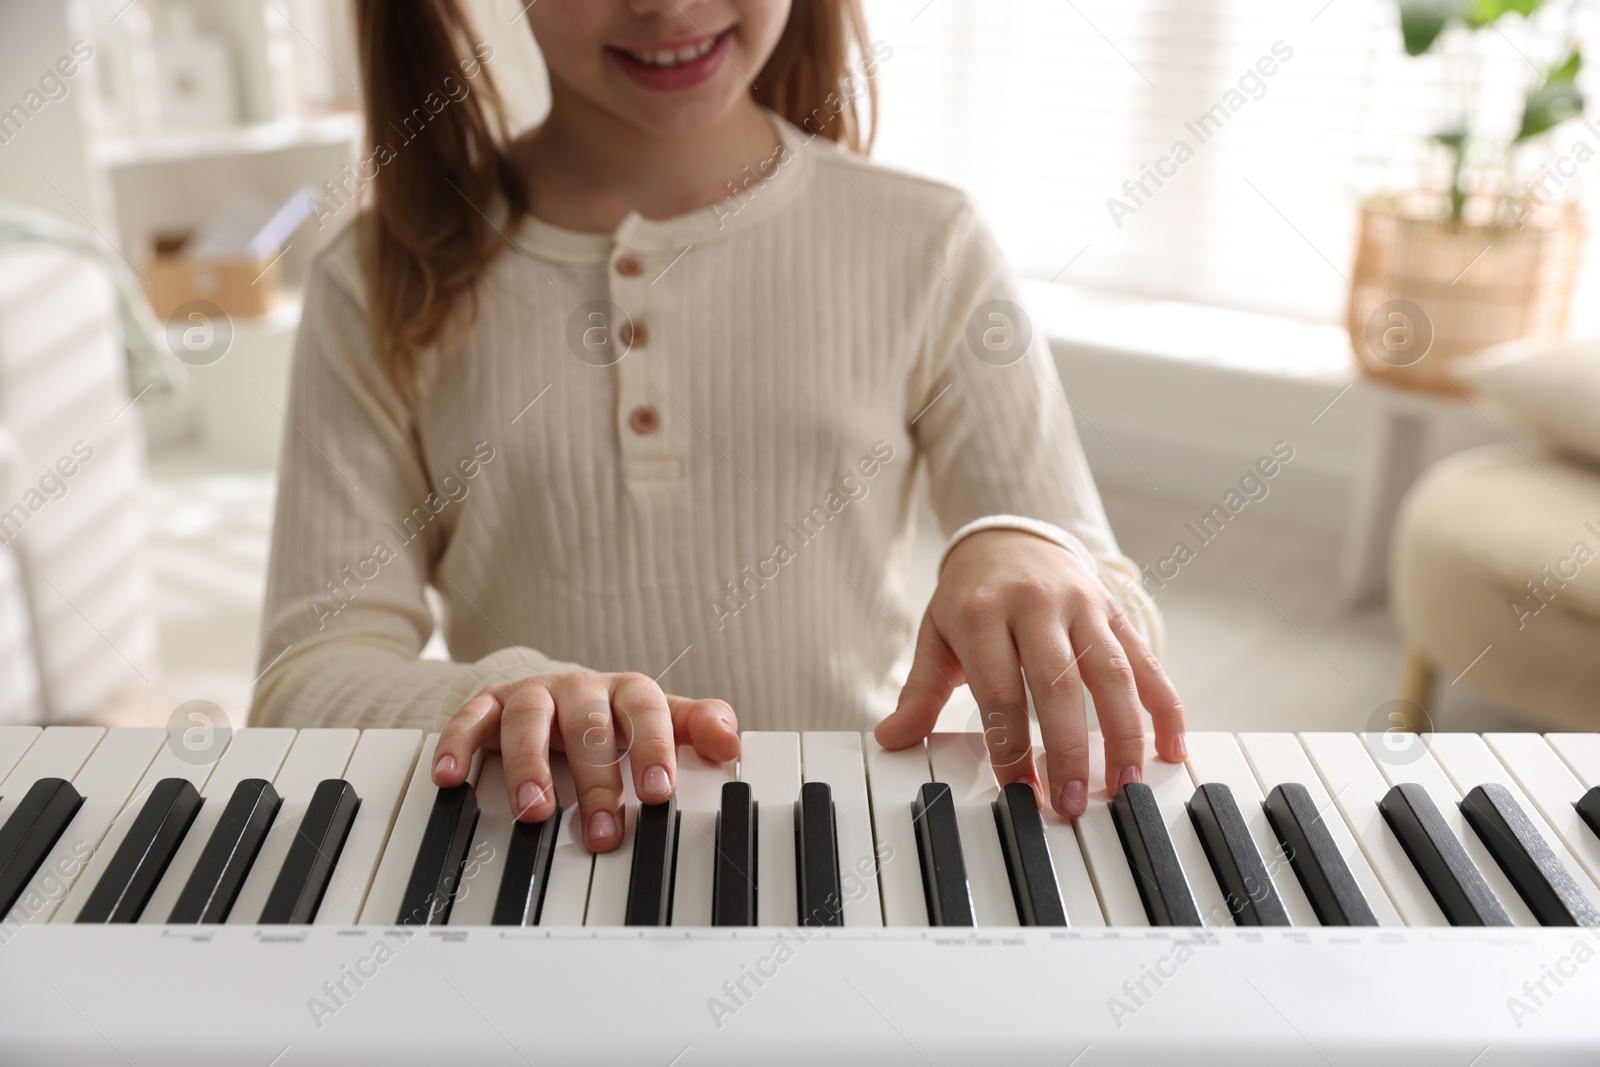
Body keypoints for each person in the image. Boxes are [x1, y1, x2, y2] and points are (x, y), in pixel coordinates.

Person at [250, 0, 1186, 855]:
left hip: (835, 846)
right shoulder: (369, 280)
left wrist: (1020, 544)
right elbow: (304, 680)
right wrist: (489, 696)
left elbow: (1108, 605)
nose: (665, 6)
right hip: (544, 851)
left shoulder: (929, 240)